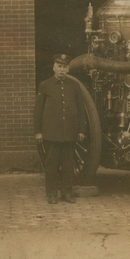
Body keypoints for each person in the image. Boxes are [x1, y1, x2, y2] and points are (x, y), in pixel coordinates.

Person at [34, 54, 87, 204]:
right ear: (54, 68)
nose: (62, 70)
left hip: (69, 133)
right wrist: (38, 132)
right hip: (51, 133)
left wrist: (81, 130)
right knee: (51, 166)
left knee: (68, 166)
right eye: (59, 66)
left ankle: (67, 193)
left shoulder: (74, 86)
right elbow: (38, 111)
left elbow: (80, 110)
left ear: (68, 69)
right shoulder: (45, 85)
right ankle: (51, 194)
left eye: (64, 67)